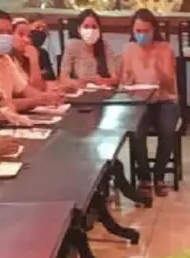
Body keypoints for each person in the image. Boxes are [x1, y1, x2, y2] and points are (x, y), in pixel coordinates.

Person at [120, 9, 180, 197]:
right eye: (138, 31)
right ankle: (144, 177)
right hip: (140, 101)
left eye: (146, 31)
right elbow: (124, 82)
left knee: (167, 132)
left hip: (165, 100)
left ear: (154, 30)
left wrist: (158, 70)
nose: (142, 35)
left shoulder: (165, 49)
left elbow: (170, 83)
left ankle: (159, 176)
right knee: (137, 133)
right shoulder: (129, 50)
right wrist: (127, 81)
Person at [0, 9, 64, 112]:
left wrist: (51, 97)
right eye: (0, 32)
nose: (6, 36)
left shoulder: (6, 59)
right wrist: (38, 100)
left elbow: (27, 90)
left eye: (9, 32)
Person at [60, 9, 118, 88]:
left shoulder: (104, 45)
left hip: (102, 91)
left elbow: (115, 79)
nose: (90, 31)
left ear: (99, 29)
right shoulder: (72, 45)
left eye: (94, 27)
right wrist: (78, 82)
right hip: (81, 91)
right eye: (86, 27)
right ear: (79, 29)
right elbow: (63, 78)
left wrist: (104, 81)